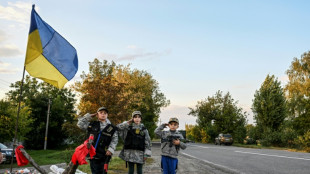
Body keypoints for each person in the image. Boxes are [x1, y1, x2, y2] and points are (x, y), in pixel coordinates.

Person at [77, 106, 118, 174]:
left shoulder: (112, 128)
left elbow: (115, 139)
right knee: (95, 172)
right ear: (97, 114)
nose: (103, 114)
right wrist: (89, 116)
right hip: (92, 154)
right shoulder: (92, 124)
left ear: (107, 115)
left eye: (105, 113)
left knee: (103, 172)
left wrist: (111, 149)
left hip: (104, 154)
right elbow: (79, 124)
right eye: (101, 112)